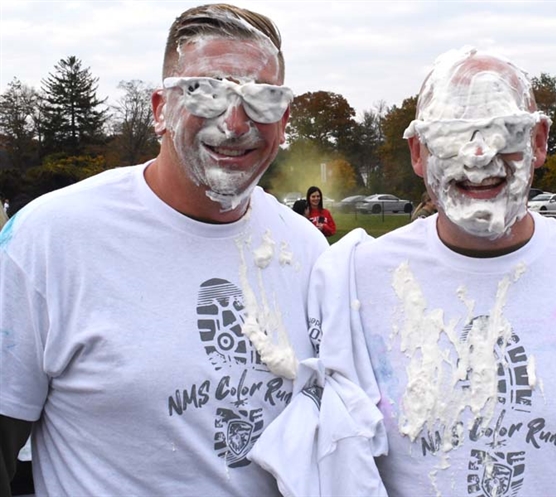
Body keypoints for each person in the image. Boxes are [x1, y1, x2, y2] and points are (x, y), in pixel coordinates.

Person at [251, 47, 556, 497]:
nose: (478, 156)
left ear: (538, 142)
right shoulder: (354, 283)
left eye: (502, 132)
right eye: (452, 136)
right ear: (418, 151)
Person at [0, 4, 329, 496]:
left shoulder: (307, 247)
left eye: (260, 99)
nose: (235, 123)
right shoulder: (50, 239)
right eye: (206, 93)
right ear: (160, 109)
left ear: (282, 121)